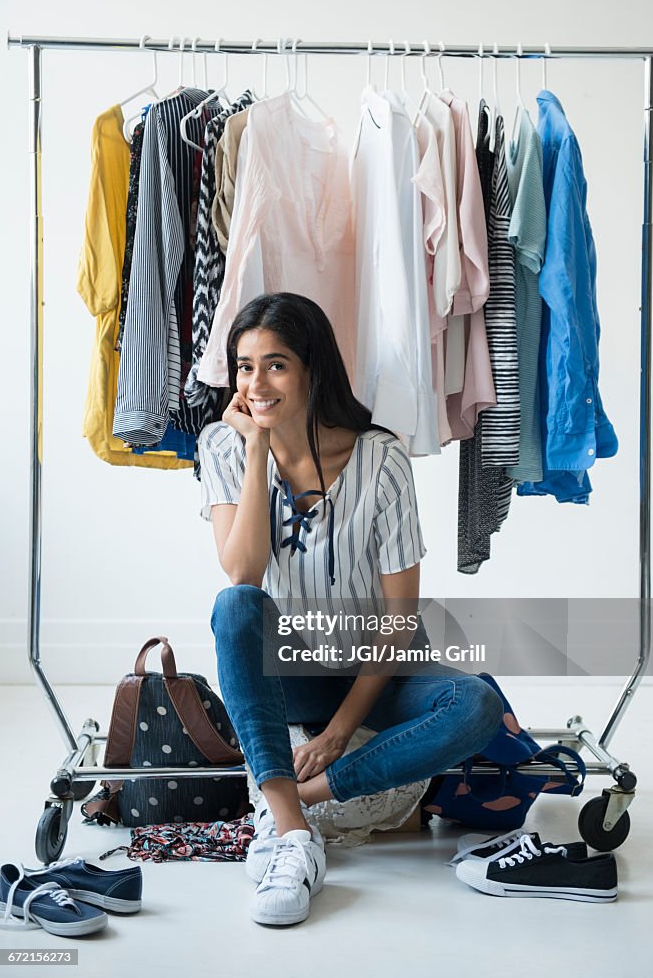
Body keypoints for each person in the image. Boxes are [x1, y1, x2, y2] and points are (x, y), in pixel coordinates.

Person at [198, 293, 503, 926]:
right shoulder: (223, 449)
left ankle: (299, 801)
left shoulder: (381, 458)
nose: (256, 382)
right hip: (292, 675)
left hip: (377, 666)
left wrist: (340, 734)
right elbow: (243, 570)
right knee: (236, 607)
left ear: (312, 368)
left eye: (275, 364)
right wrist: (257, 449)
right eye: (244, 365)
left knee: (476, 703)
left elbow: (399, 616)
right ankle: (291, 834)